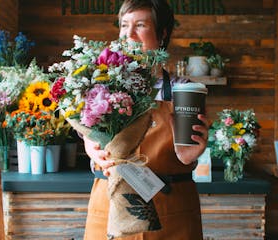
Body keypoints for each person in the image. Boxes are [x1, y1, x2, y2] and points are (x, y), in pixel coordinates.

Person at [83, 0, 209, 239]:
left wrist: (193, 154)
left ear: (162, 34)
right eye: (123, 25)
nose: (128, 34)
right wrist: (92, 147)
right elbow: (89, 138)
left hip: (170, 209)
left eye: (140, 25)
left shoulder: (183, 91)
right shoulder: (99, 87)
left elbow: (187, 151)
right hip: (111, 206)